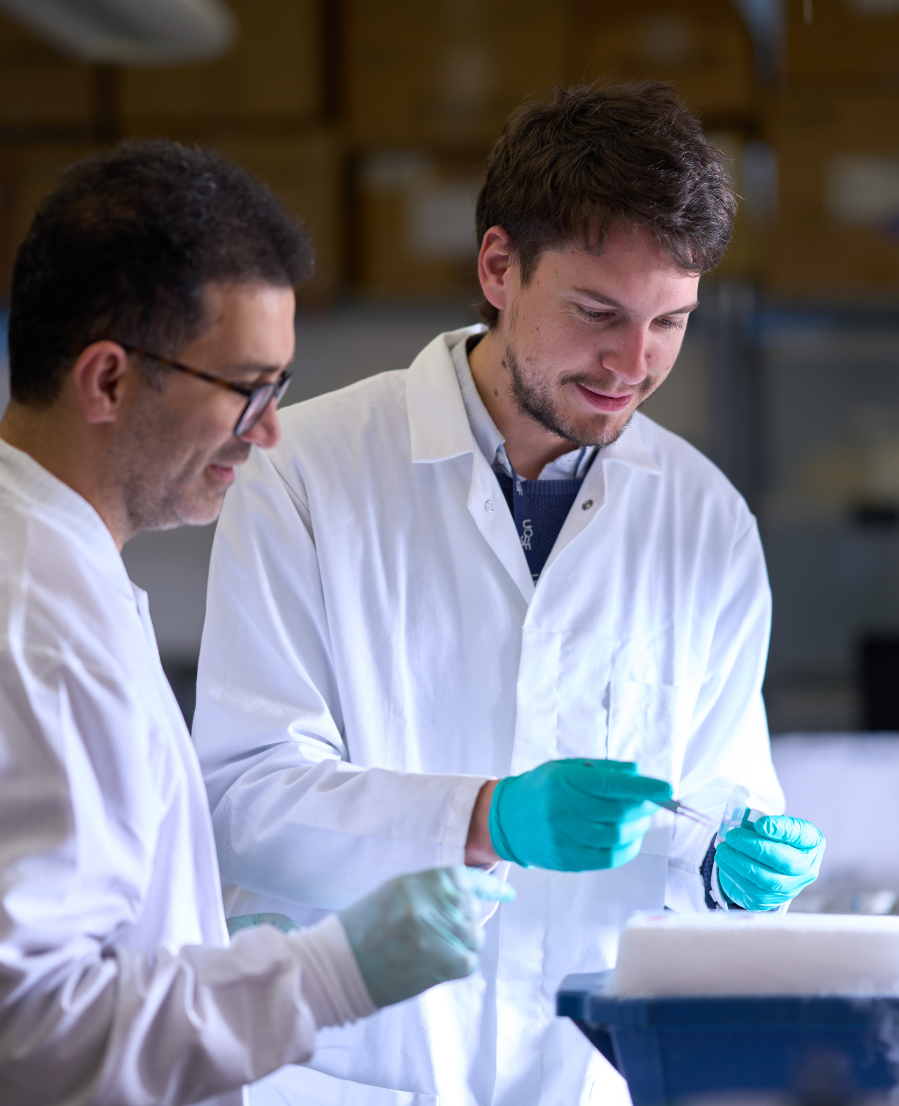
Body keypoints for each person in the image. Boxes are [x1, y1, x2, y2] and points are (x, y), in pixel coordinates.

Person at [0, 141, 512, 1106]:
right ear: (106, 380)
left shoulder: (16, 557)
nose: (267, 433)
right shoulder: (17, 621)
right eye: (247, 389)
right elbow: (35, 1037)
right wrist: (329, 973)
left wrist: (205, 947)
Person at [194, 83, 826, 1106]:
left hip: (585, 1075)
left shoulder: (705, 523)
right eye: (598, 314)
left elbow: (712, 799)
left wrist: (728, 862)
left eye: (670, 321)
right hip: (362, 1065)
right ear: (498, 267)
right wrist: (486, 817)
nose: (635, 364)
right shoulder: (305, 472)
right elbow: (245, 801)